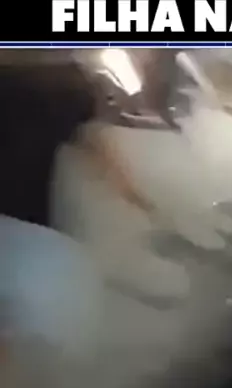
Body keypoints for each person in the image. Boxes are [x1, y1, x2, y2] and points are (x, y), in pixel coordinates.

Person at [0, 52, 154, 357]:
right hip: (31, 239)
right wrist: (137, 198)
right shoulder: (68, 85)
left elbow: (97, 148)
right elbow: (98, 149)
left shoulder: (62, 85)